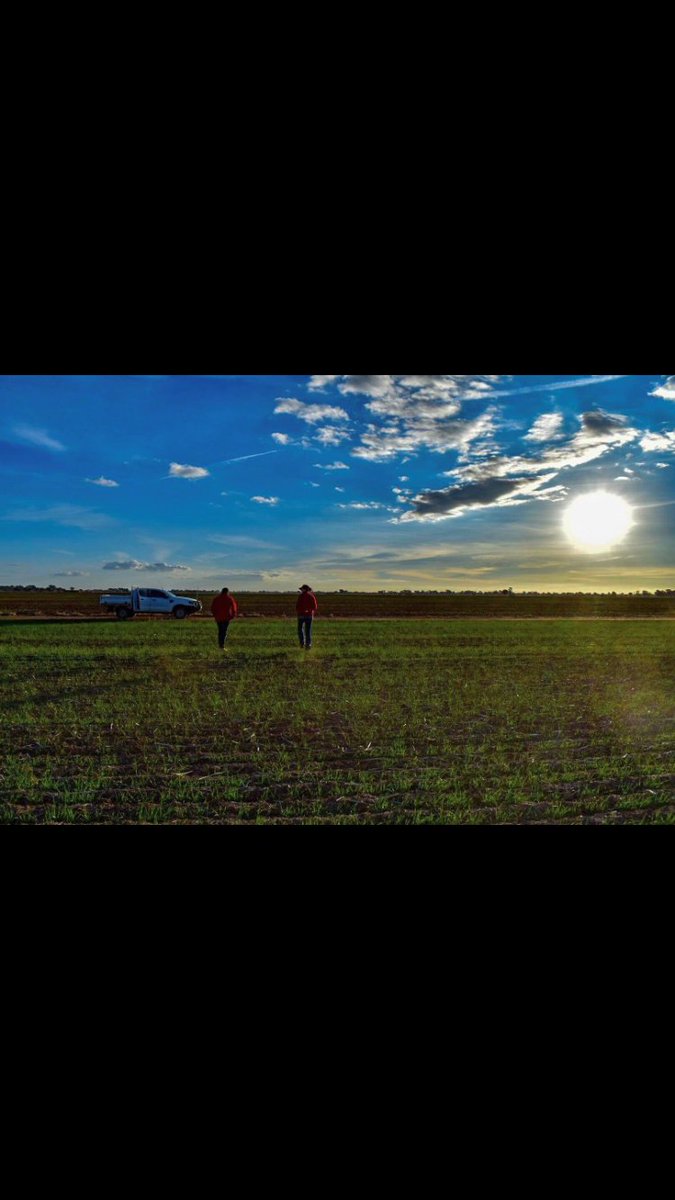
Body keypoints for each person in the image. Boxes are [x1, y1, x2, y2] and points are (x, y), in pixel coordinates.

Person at [296, 584, 318, 650]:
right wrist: (309, 610)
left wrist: (299, 611)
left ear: (304, 589)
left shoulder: (300, 596)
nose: (301, 590)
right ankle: (308, 645)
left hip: (301, 615)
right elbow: (315, 607)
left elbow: (297, 606)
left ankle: (302, 644)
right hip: (309, 615)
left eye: (302, 589)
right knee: (308, 631)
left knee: (300, 630)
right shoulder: (311, 596)